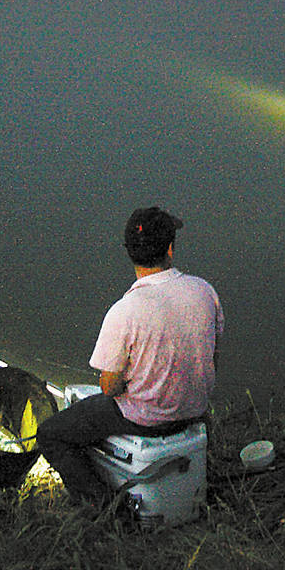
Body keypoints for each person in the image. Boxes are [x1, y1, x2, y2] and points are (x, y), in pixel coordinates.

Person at [36, 206, 223, 506]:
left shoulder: (124, 311)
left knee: (50, 435)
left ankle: (104, 507)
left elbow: (110, 387)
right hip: (196, 408)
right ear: (170, 250)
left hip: (145, 419)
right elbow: (212, 357)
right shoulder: (204, 291)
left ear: (129, 253)